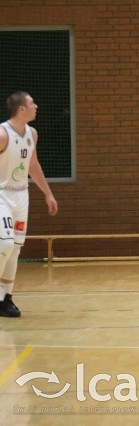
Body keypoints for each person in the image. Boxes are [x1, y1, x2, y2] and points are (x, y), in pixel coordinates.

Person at [0, 92, 59, 318]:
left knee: (15, 249)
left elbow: (33, 165)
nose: (36, 106)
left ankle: (6, 298)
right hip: (2, 196)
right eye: (32, 103)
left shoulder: (32, 133)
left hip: (21, 196)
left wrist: (48, 194)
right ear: (21, 109)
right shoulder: (3, 133)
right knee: (4, 245)